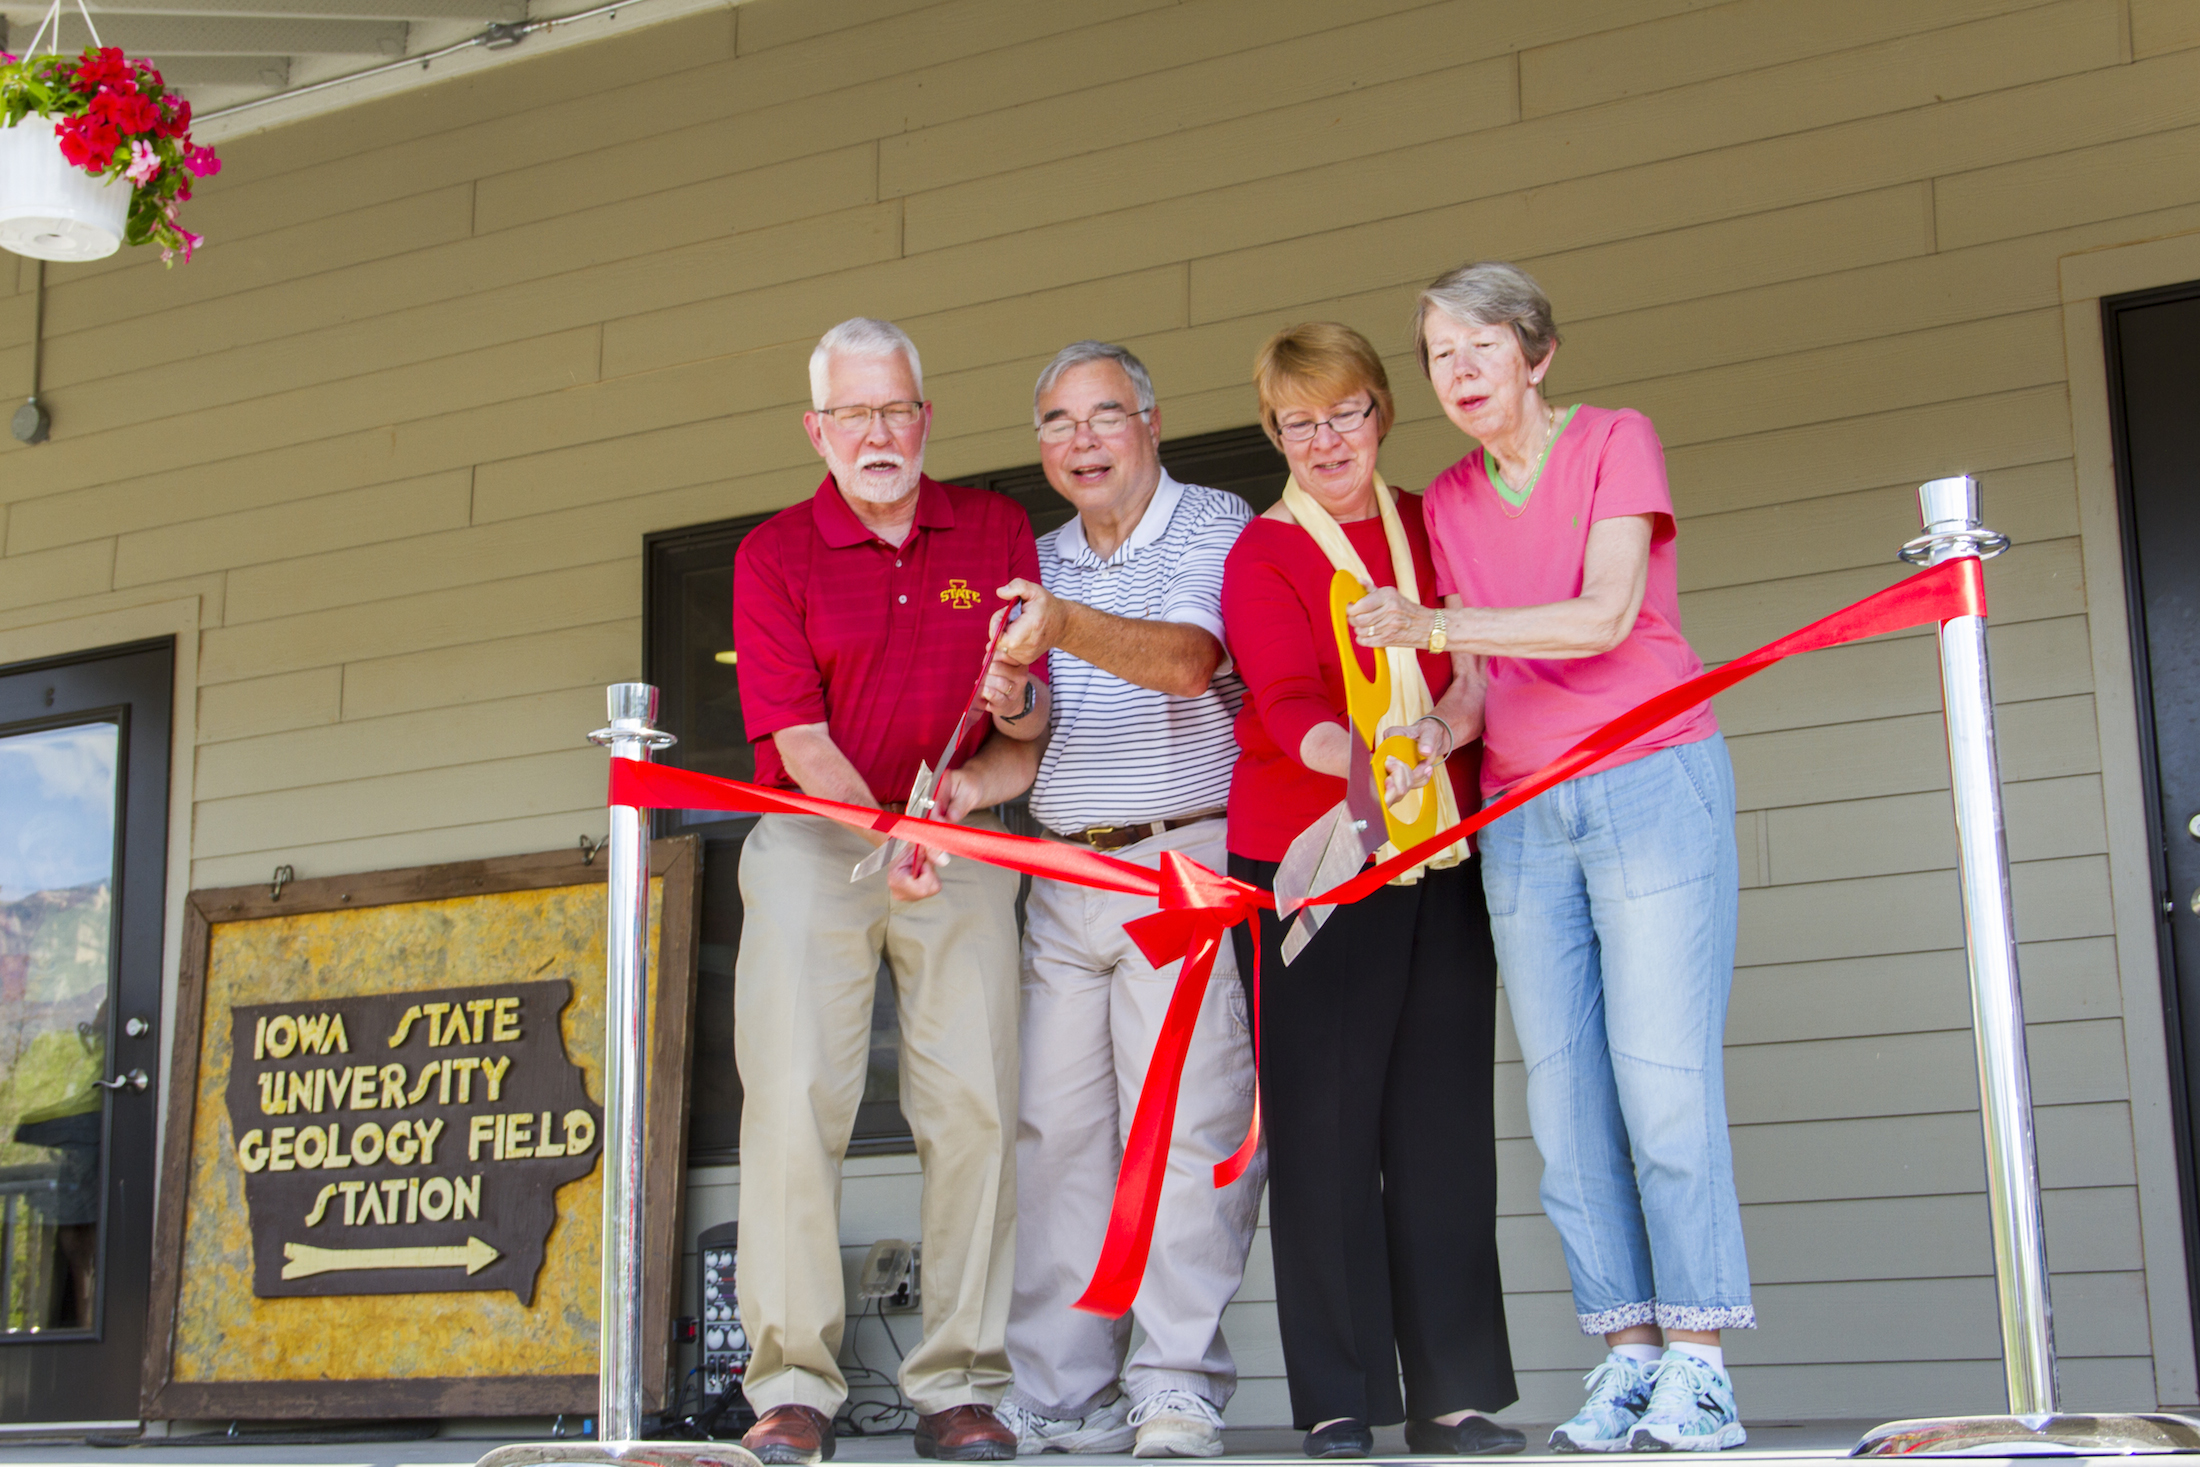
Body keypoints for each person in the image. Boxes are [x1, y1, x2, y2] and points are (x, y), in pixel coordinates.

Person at [1347, 262, 1752, 1453]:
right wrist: (1429, 730)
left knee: (1663, 1087)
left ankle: (1701, 1362)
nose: (1458, 372)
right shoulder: (1450, 505)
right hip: (1522, 810)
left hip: (1646, 779)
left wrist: (1430, 627)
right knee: (1564, 1103)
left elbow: (1603, 614)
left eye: (1479, 346)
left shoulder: (1615, 440)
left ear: (1536, 352)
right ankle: (1627, 1356)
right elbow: (1478, 684)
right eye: (1437, 355)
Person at [731, 317, 1048, 1465]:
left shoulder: (998, 527)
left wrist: (990, 744)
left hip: (959, 828)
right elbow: (801, 742)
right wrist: (887, 823)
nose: (879, 432)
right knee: (795, 1102)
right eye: (854, 413)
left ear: (926, 418)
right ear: (817, 430)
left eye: (897, 409)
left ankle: (958, 1381)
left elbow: (1031, 736)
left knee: (971, 1104)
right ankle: (792, 1384)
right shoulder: (771, 555)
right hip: (818, 837)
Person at [1218, 322, 1521, 1460]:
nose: (1325, 439)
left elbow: (1479, 662)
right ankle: (1339, 1399)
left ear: (1381, 412)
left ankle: (1454, 1399)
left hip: (1443, 851)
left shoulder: (1436, 524)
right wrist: (1365, 768)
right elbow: (1285, 703)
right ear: (1274, 433)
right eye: (1299, 422)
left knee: (1442, 1127)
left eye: (1343, 414)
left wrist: (1439, 732)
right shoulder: (1264, 555)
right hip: (1316, 865)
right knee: (1327, 1131)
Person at [984, 341, 1262, 1460]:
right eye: (1056, 423)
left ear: (1150, 422)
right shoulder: (1043, 555)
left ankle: (1174, 1383)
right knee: (1059, 1138)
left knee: (1186, 1131)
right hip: (1063, 874)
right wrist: (1010, 702)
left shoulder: (1213, 521)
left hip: (1182, 861)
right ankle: (1060, 1391)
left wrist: (1055, 626)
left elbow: (1193, 662)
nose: (1080, 441)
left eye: (1103, 416)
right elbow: (1036, 730)